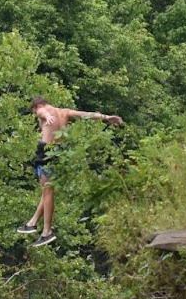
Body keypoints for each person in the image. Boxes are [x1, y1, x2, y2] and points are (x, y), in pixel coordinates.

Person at [17, 96, 123, 248]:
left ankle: (47, 231)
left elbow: (42, 113)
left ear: (38, 105)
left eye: (34, 111)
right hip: (60, 154)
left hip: (46, 153)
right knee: (48, 190)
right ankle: (32, 223)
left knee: (47, 192)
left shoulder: (43, 110)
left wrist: (46, 116)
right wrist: (107, 117)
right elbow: (87, 114)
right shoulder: (64, 112)